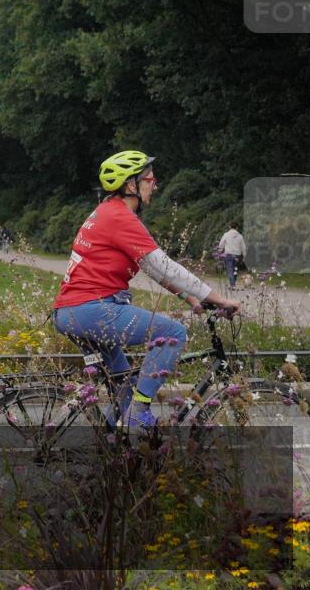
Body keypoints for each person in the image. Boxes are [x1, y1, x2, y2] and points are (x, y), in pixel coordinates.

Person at [52, 150, 241, 431]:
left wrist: (190, 297)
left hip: (73, 311)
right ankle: (138, 413)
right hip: (91, 309)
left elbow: (152, 268)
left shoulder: (108, 211)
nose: (155, 185)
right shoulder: (120, 217)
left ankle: (109, 443)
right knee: (173, 334)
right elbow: (165, 266)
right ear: (131, 185)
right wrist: (218, 298)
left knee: (124, 387)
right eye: (150, 179)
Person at [217, 223, 246, 289]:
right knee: (235, 270)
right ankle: (233, 284)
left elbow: (221, 243)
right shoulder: (240, 236)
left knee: (230, 270)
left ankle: (232, 285)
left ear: (230, 227)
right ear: (237, 227)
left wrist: (219, 251)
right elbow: (243, 247)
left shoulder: (226, 234)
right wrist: (244, 256)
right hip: (237, 255)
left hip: (229, 255)